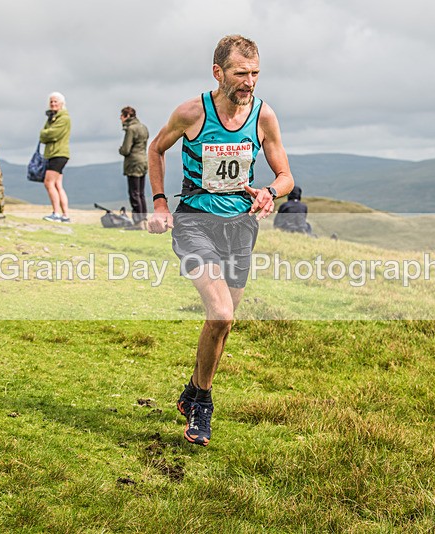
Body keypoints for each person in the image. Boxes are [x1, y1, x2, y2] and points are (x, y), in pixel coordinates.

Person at [147, 35, 294, 446]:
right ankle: (203, 405)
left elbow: (286, 176)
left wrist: (270, 192)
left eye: (255, 74)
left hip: (241, 226)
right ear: (218, 73)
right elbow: (155, 150)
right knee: (222, 314)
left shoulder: (264, 116)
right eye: (240, 73)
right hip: (195, 222)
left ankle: (192, 390)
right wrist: (160, 204)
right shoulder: (192, 112)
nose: (249, 82)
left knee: (222, 325)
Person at [40, 92, 72, 223]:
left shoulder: (63, 118)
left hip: (57, 153)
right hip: (56, 153)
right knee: (58, 185)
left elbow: (51, 134)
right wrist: (45, 133)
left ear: (62, 104)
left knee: (49, 183)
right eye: (51, 102)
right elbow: (46, 133)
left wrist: (43, 134)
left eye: (55, 102)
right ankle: (65, 215)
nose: (53, 104)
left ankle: (56, 213)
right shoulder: (53, 118)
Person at [119, 106, 150, 228]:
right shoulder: (143, 127)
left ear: (126, 116)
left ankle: (138, 221)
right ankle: (143, 219)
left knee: (134, 193)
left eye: (121, 116)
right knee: (141, 193)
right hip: (143, 160)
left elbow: (126, 149)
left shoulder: (131, 129)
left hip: (133, 163)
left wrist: (120, 150)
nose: (120, 119)